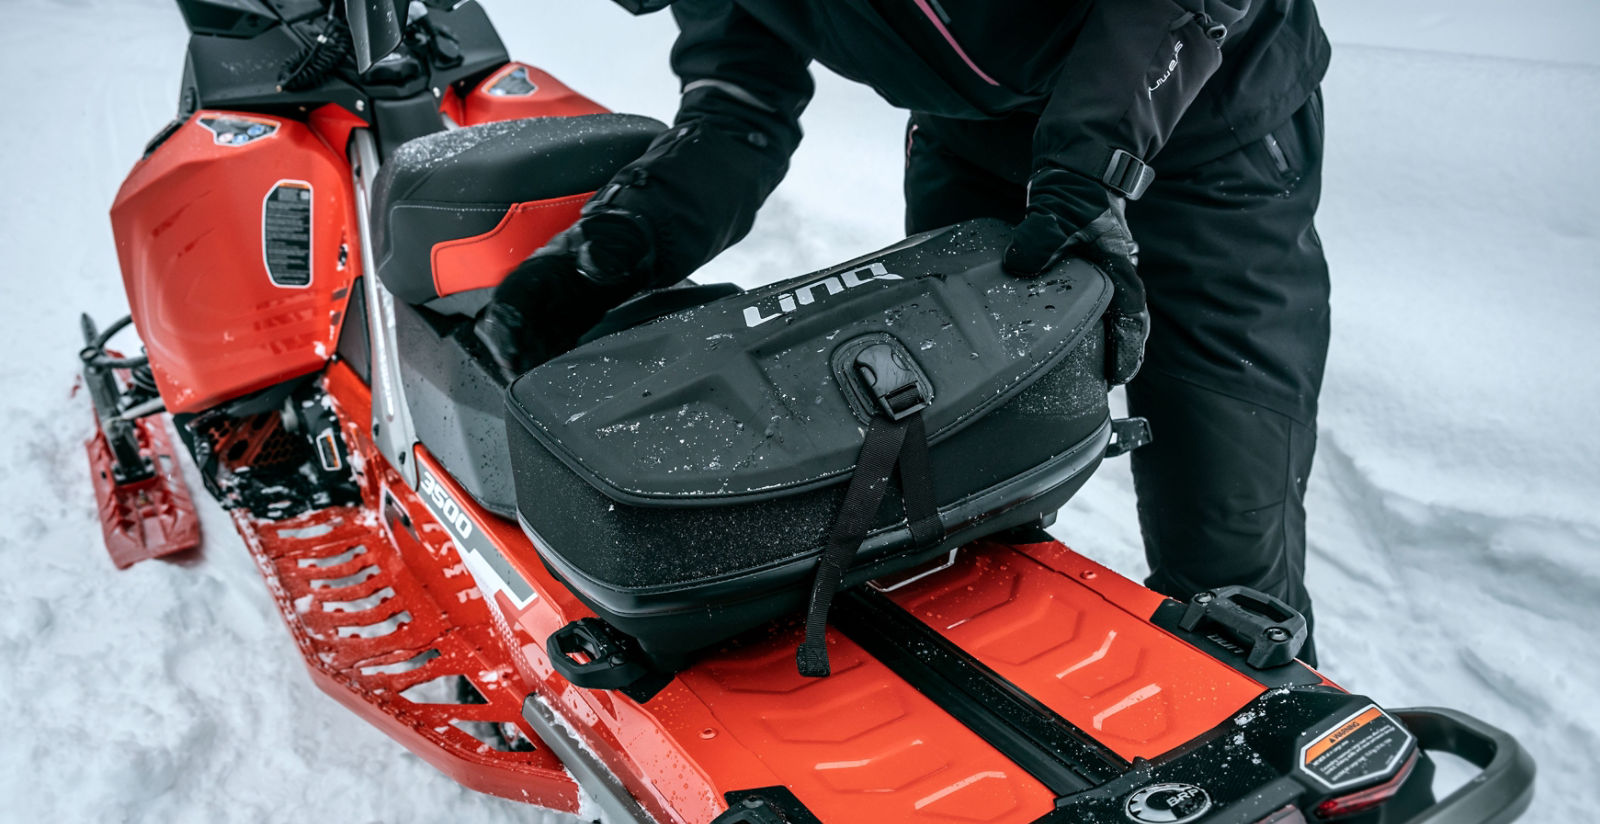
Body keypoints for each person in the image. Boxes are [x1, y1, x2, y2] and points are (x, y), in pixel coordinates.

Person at [480, 0, 1320, 663]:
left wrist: (1093, 169)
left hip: (1205, 134)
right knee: (956, 518)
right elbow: (739, 106)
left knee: (1230, 573)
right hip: (980, 147)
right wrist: (614, 248)